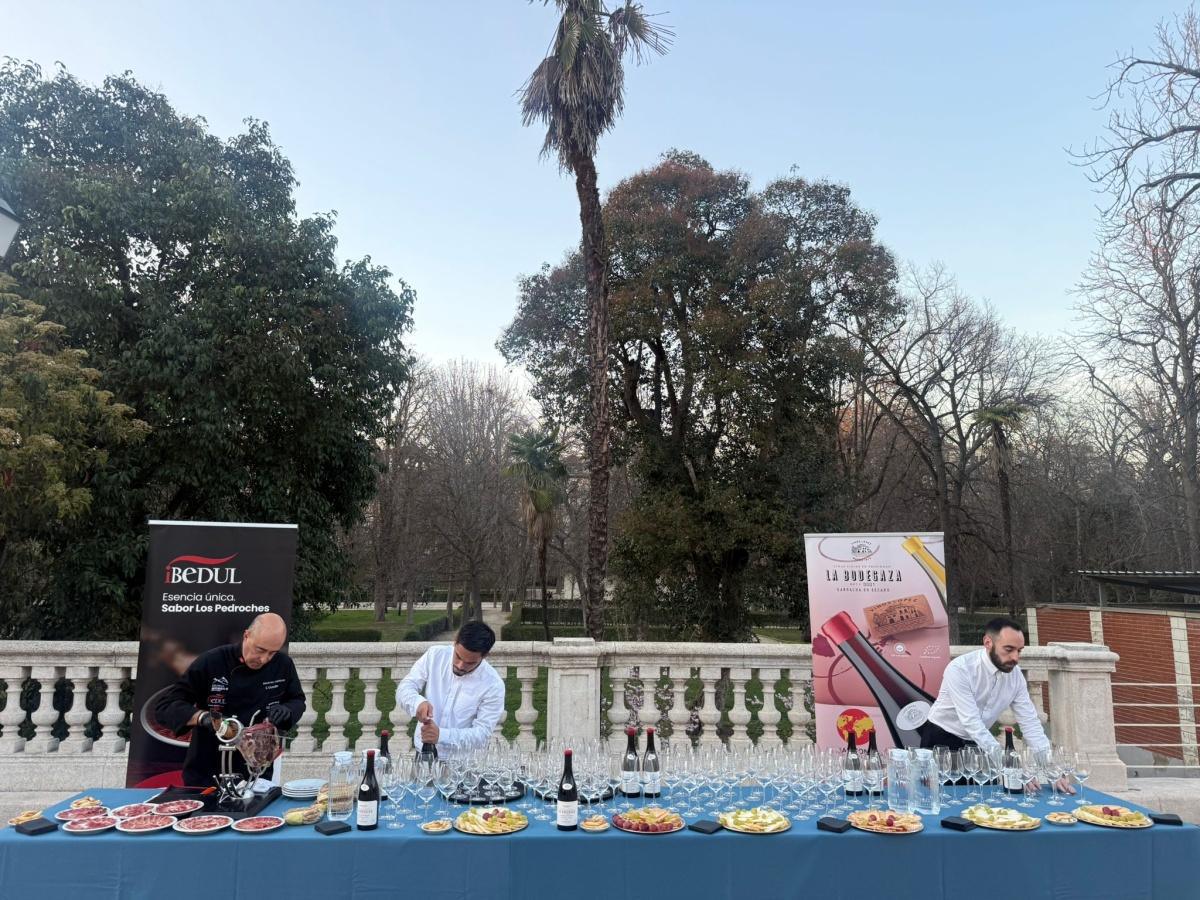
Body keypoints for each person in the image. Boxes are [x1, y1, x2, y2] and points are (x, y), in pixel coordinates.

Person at [920, 615, 1073, 792]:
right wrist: (1009, 765)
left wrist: (1051, 769)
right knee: (944, 799)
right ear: (988, 643)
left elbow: (1030, 723)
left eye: (1019, 651)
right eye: (1008, 649)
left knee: (987, 800)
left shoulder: (1016, 676)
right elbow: (971, 722)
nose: (1015, 657)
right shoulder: (960, 669)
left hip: (980, 743)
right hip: (941, 740)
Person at [155, 612, 306, 786]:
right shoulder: (211, 662)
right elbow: (165, 706)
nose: (264, 659)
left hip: (256, 771)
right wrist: (203, 717)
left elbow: (297, 700)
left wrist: (287, 710)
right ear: (246, 635)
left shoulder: (283, 665)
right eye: (260, 650)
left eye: (272, 653)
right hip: (207, 770)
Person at [395, 621, 504, 755]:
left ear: (485, 656)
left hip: (462, 761)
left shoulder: (493, 685)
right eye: (458, 656)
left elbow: (482, 735)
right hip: (423, 752)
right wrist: (417, 703)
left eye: (470, 663)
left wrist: (441, 735)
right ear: (455, 641)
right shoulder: (435, 655)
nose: (460, 665)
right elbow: (405, 687)